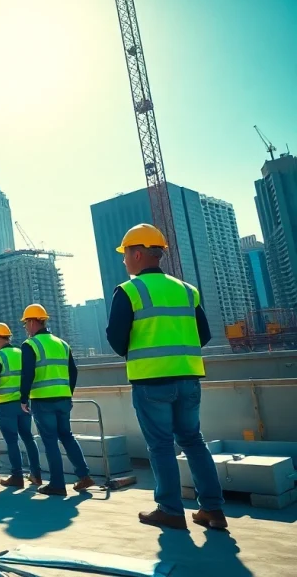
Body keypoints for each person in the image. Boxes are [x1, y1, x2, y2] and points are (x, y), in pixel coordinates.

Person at [107, 223, 226, 530]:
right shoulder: (187, 291)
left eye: (124, 254)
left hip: (151, 382)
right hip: (188, 378)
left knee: (160, 446)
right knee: (193, 441)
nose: (123, 261)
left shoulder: (129, 291)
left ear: (136, 254)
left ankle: (171, 510)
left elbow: (117, 340)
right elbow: (205, 334)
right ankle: (212, 510)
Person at [20, 303, 95, 496]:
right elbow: (73, 371)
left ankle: (57, 484)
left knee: (50, 441)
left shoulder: (30, 345)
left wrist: (23, 398)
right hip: (63, 399)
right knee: (67, 436)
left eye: (25, 324)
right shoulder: (62, 344)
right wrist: (68, 393)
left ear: (31, 322)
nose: (26, 328)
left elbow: (27, 373)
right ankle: (84, 476)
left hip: (43, 400)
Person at [0, 323, 42, 489]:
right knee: (28, 438)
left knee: (12, 441)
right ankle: (36, 474)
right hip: (24, 403)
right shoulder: (21, 353)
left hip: (6, 405)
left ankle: (17, 476)